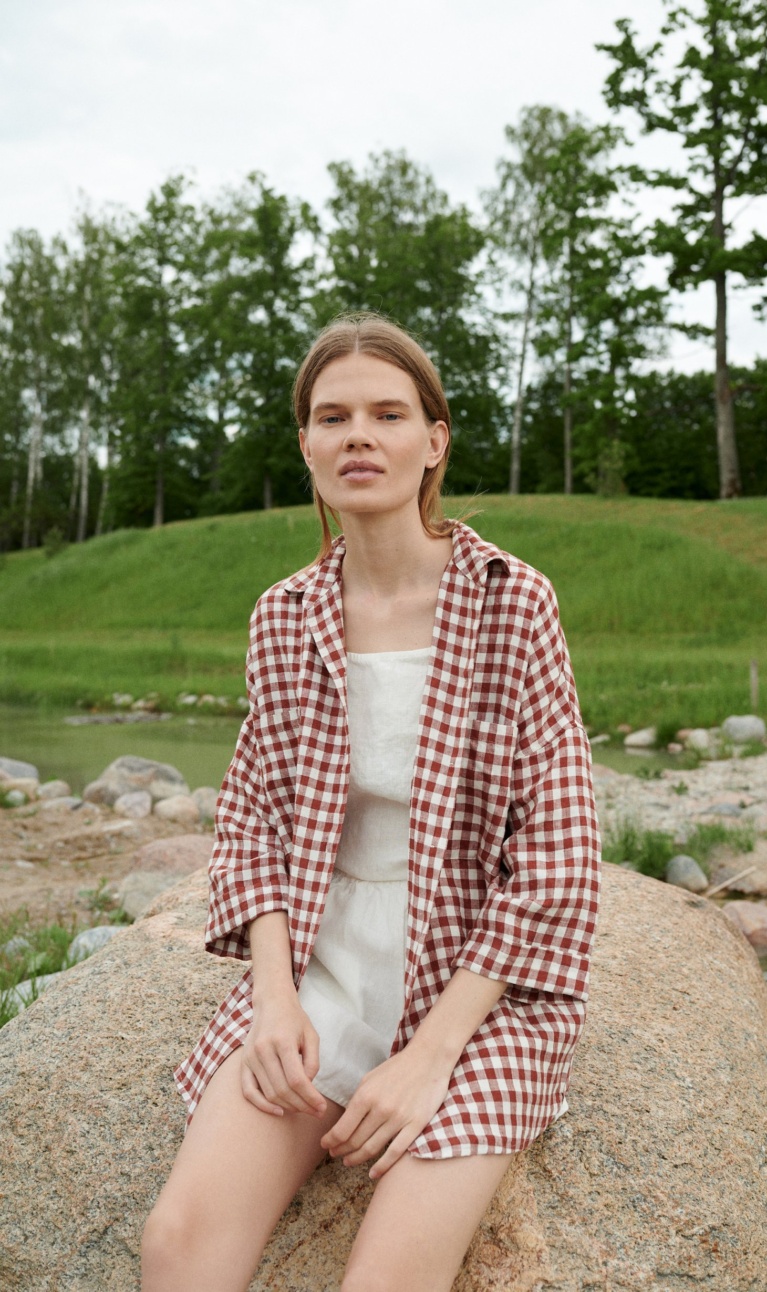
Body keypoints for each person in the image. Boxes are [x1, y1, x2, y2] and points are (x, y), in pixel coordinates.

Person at [141, 313, 601, 1292]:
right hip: (323, 950)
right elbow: (253, 823)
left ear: (433, 440)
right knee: (179, 1247)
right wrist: (272, 1000)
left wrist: (430, 1055)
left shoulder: (512, 600)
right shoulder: (283, 613)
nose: (359, 435)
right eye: (332, 415)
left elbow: (557, 857)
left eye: (388, 413)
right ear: (305, 444)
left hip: (480, 982)